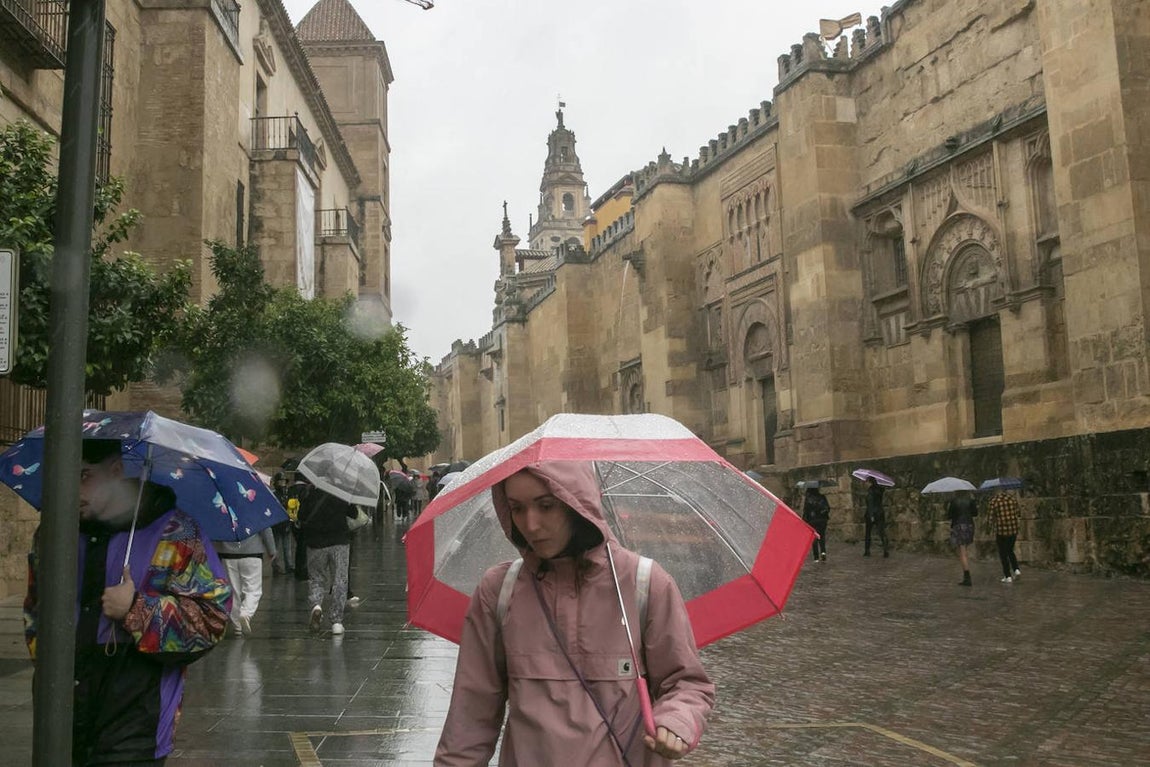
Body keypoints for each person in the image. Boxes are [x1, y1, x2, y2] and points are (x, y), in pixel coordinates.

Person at [435, 461, 715, 765]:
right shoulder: (499, 590)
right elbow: (470, 716)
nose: (531, 524)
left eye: (546, 506)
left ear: (575, 503)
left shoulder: (645, 584)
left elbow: (686, 682)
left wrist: (676, 720)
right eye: (517, 508)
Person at [23, 438, 232, 766]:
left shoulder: (175, 533)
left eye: (84, 476)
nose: (71, 488)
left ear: (115, 471)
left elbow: (210, 621)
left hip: (135, 726)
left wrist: (136, 608)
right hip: (59, 722)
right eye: (62, 474)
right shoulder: (53, 532)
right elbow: (34, 611)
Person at [297, 486, 359, 635]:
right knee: (340, 579)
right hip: (339, 541)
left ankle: (316, 606)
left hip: (315, 543)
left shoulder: (309, 492)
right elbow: (354, 513)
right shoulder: (342, 491)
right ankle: (336, 621)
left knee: (316, 578)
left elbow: (301, 515)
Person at [213, 525, 276, 637]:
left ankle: (237, 626)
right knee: (253, 590)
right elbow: (265, 528)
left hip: (228, 554)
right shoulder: (255, 508)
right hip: (252, 552)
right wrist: (271, 550)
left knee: (233, 591)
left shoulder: (223, 508)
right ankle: (246, 613)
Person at [988, 489, 1022, 584]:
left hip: (1001, 531)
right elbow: (1018, 513)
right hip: (1013, 530)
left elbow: (990, 518)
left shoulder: (994, 501)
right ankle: (1016, 569)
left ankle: (1007, 575)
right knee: (1010, 550)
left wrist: (990, 527)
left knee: (1003, 553)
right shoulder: (1012, 500)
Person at [947, 490, 979, 586]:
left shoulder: (954, 501)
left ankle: (967, 576)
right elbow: (975, 513)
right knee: (963, 550)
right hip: (969, 525)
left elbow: (950, 515)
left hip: (959, 525)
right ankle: (966, 574)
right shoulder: (971, 500)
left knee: (962, 551)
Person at [802, 485, 830, 562]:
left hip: (812, 520)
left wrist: (804, 521)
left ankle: (816, 557)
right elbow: (828, 508)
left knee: (814, 538)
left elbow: (806, 511)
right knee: (822, 536)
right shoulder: (822, 497)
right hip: (822, 519)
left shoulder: (808, 499)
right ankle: (823, 552)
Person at [863, 477, 889, 558]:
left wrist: (871, 515)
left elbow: (870, 504)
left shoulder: (870, 491)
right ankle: (885, 550)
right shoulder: (880, 490)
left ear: (870, 482)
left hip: (872, 514)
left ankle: (867, 551)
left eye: (866, 482)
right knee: (882, 532)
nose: (865, 484)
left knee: (868, 533)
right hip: (880, 513)